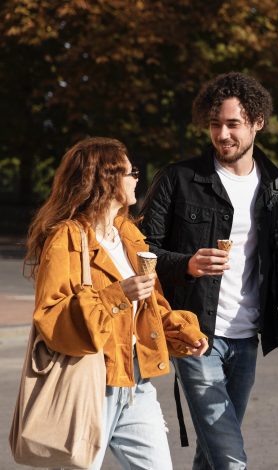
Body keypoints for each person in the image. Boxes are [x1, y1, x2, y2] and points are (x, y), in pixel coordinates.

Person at [139, 72, 278, 469]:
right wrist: (187, 264)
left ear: (257, 123)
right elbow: (141, 250)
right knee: (230, 454)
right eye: (215, 124)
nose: (222, 134)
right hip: (194, 330)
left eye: (233, 124)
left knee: (213, 451)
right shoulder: (178, 178)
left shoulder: (276, 185)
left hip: (246, 335)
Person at [24, 137, 208, 470]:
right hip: (90, 383)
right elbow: (50, 317)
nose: (137, 177)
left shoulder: (128, 234)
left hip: (137, 383)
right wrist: (117, 295)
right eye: (129, 171)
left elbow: (153, 304)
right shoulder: (67, 238)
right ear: (105, 179)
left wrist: (183, 333)